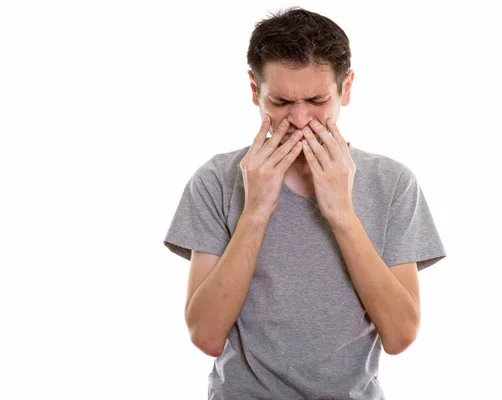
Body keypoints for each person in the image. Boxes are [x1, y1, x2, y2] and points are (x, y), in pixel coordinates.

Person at [163, 6, 446, 399]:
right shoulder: (215, 180)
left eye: (317, 100)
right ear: (254, 90)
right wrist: (256, 210)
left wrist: (342, 214)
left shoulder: (392, 183)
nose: (299, 119)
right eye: (280, 102)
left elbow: (400, 336)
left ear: (346, 89)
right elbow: (206, 336)